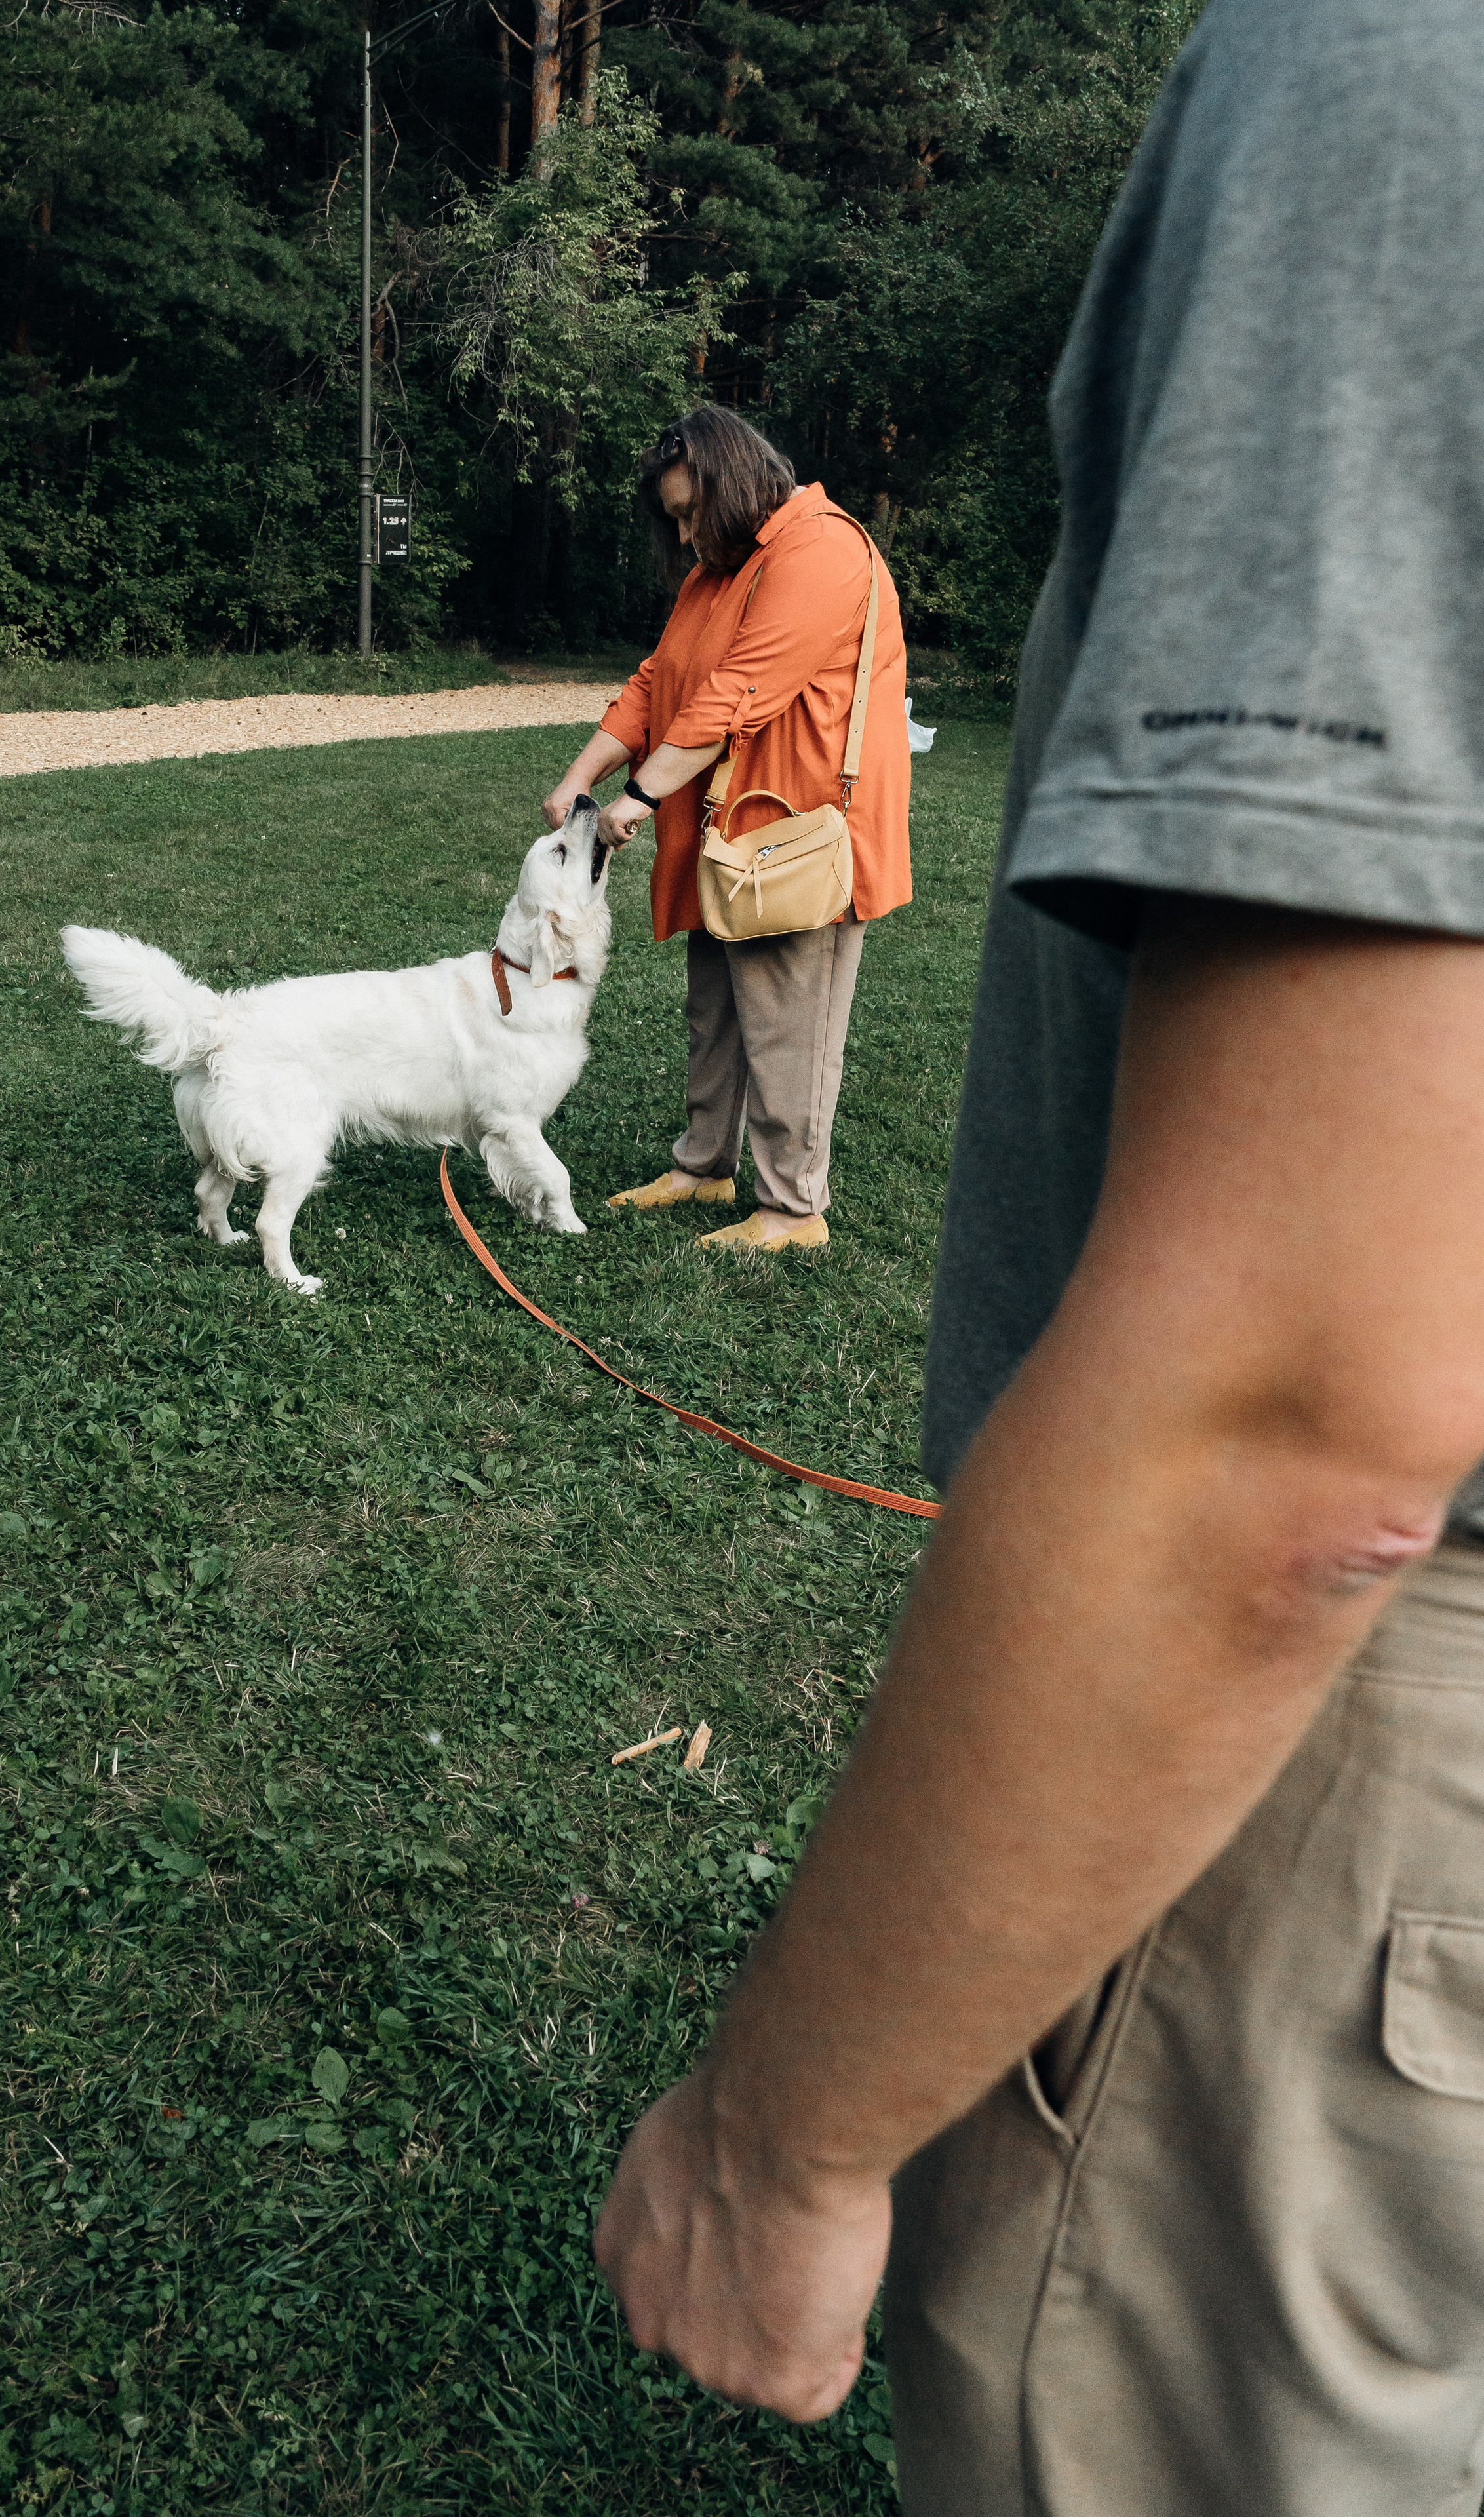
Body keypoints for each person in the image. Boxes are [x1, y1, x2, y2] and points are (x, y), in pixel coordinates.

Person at [592, 3, 1484, 2511]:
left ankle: (783, 1195)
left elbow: (1303, 1423)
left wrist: (776, 2146)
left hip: (1369, 1807)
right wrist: (608, 755)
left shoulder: (1400, 70)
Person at [542, 408, 910, 1252]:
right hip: (723, 833)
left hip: (796, 836)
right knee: (715, 1011)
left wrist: (639, 795)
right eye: (673, 517)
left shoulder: (820, 549)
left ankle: (792, 1208)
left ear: (733, 486)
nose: (681, 532)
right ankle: (705, 1166)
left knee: (788, 1017)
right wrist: (580, 776)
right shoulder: (718, 568)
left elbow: (738, 693)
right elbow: (658, 681)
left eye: (688, 512)